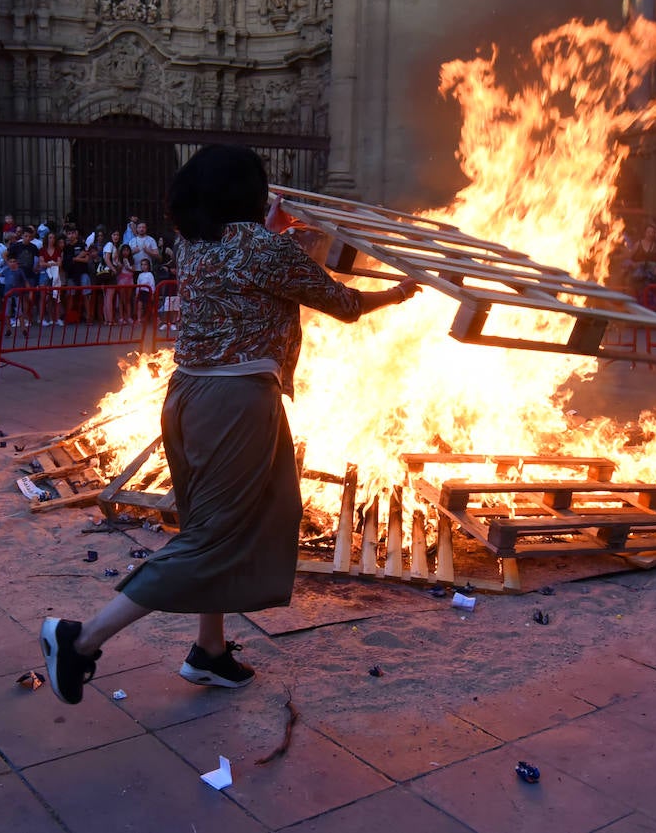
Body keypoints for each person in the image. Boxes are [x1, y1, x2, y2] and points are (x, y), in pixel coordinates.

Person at [38, 144, 419, 705]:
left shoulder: (192, 243)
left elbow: (251, 256)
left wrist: (272, 227)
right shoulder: (266, 251)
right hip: (236, 401)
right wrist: (399, 292)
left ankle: (208, 651)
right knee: (212, 538)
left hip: (189, 394)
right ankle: (80, 639)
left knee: (226, 521)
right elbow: (344, 304)